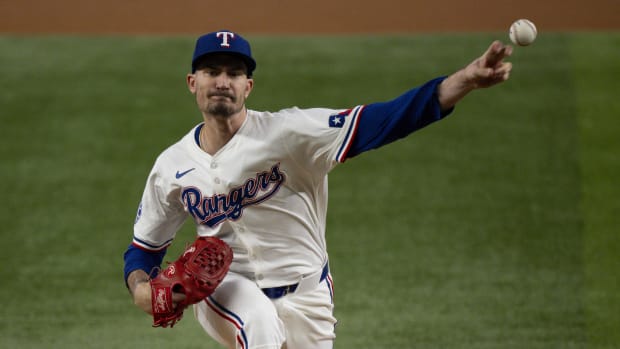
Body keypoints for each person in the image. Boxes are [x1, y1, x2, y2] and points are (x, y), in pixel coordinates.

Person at [123, 30, 513, 349]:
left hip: (308, 298)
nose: (222, 81)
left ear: (249, 86)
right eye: (211, 71)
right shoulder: (171, 166)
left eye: (233, 73)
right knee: (259, 326)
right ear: (193, 83)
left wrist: (461, 82)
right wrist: (142, 290)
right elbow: (143, 251)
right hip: (228, 288)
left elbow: (383, 120)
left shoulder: (290, 134)